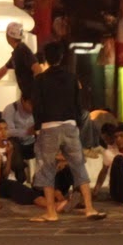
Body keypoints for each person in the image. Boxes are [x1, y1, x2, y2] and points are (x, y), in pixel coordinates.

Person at [28, 41, 103, 222]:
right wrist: (75, 123)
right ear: (61, 57)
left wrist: (37, 128)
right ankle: (90, 208)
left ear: (46, 58)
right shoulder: (71, 77)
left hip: (49, 127)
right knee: (78, 165)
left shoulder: (40, 80)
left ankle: (51, 212)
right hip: (69, 125)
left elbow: (37, 107)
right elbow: (79, 104)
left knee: (47, 169)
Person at [0, 116, 43, 209]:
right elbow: (1, 175)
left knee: (29, 190)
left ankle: (52, 204)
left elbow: (10, 172)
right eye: (0, 129)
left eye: (6, 129)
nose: (4, 132)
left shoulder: (11, 147)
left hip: (8, 182)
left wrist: (10, 154)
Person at [1, 96, 37, 183]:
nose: (33, 107)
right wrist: (27, 132)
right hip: (14, 144)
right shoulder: (10, 109)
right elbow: (7, 132)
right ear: (23, 100)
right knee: (12, 141)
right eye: (31, 104)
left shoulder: (38, 109)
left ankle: (40, 179)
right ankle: (20, 173)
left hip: (31, 143)